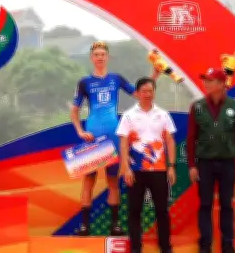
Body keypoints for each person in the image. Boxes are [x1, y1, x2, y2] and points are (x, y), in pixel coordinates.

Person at [70, 41, 160, 235]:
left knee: (113, 181)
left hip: (113, 136)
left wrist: (155, 74)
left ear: (108, 57)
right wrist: (80, 131)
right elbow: (74, 109)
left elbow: (139, 94)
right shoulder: (84, 82)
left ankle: (115, 225)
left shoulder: (116, 79)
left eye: (103, 54)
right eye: (97, 55)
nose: (100, 57)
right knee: (89, 180)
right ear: (91, 58)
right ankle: (85, 226)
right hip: (93, 137)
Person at [187, 68, 235, 253]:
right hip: (204, 164)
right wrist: (192, 165)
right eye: (205, 80)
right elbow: (191, 138)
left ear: (221, 84)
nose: (206, 83)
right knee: (205, 204)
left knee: (227, 205)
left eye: (210, 80)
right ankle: (205, 244)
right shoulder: (197, 106)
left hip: (228, 163)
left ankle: (228, 243)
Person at [116, 77, 176, 253]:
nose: (148, 94)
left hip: (159, 170)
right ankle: (136, 248)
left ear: (154, 92)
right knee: (134, 211)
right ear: (137, 93)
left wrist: (171, 166)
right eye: (144, 91)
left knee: (162, 211)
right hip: (136, 170)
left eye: (151, 91)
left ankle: (165, 247)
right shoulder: (129, 115)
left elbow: (170, 141)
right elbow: (123, 143)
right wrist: (126, 167)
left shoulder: (163, 114)